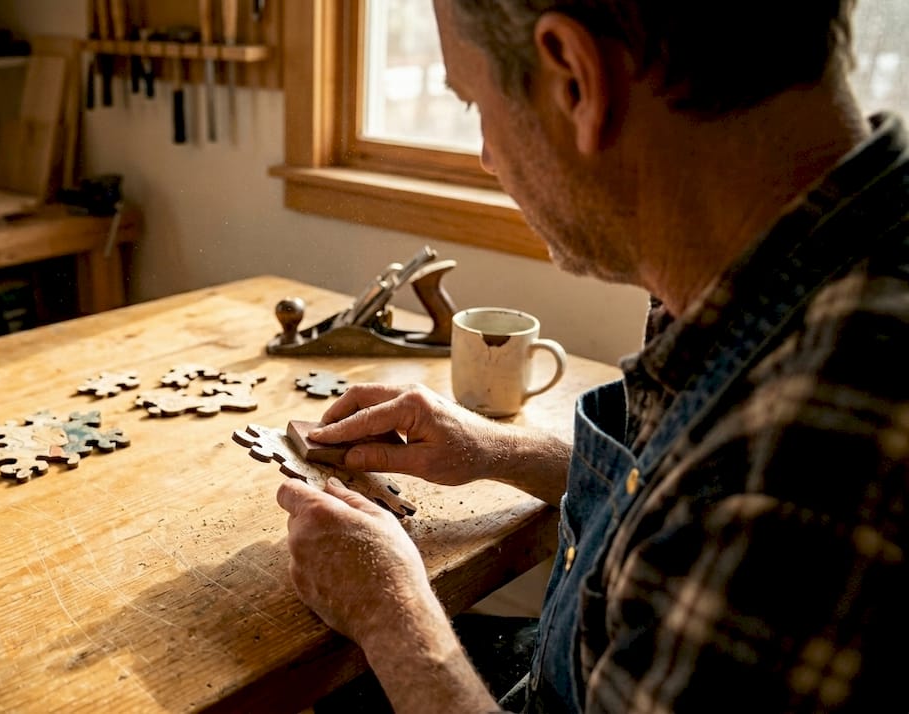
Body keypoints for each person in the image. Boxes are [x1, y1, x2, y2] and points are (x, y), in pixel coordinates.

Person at [275, 0, 908, 712]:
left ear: (576, 79)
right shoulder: (792, 263)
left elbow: (719, 495)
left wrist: (390, 617)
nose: (486, 155)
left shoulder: (806, 468)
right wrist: (501, 451)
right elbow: (668, 495)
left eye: (475, 102)